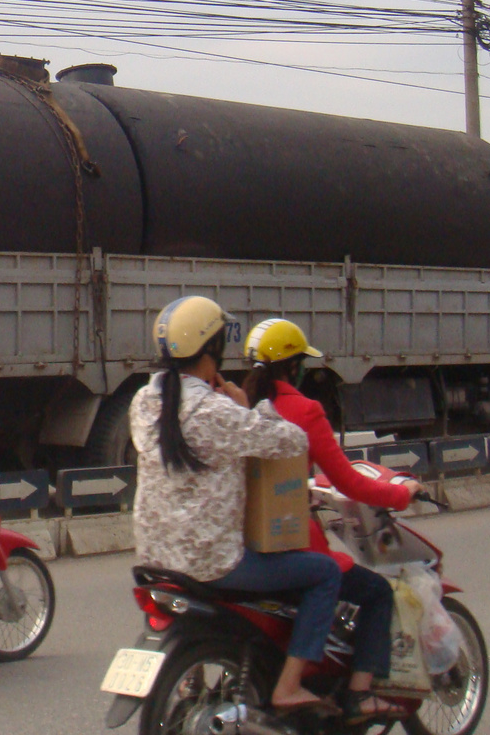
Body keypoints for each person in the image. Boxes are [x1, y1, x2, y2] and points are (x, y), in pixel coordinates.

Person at [131, 296, 342, 717]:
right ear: (213, 349)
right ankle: (288, 686)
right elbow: (291, 442)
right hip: (214, 564)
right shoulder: (214, 410)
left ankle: (194, 678)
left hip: (155, 559)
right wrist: (249, 407)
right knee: (325, 573)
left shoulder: (143, 401)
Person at [244, 319, 422, 724]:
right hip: (292, 542)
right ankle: (361, 694)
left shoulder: (242, 407)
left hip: (248, 539)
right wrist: (401, 494)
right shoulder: (306, 411)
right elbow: (347, 480)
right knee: (377, 593)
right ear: (292, 367)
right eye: (301, 364)